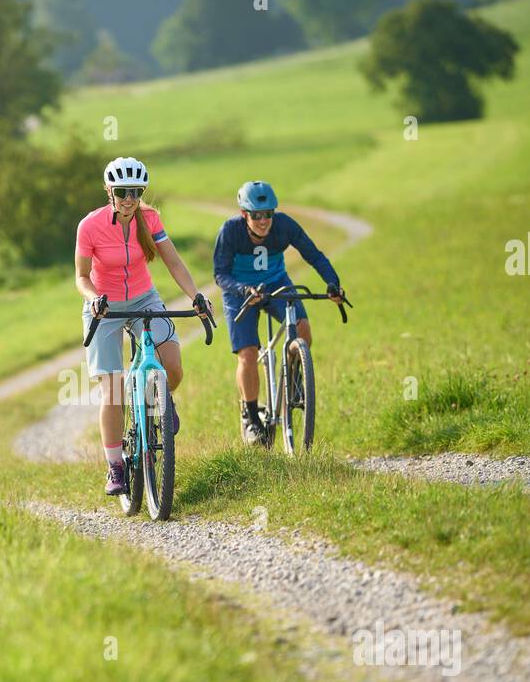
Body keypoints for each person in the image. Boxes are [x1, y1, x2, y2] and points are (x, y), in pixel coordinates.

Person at [75, 156, 213, 494]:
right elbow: (80, 276)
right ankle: (115, 468)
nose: (128, 198)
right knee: (113, 390)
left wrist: (196, 295)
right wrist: (94, 299)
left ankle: (159, 404)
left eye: (135, 191)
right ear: (109, 191)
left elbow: (174, 262)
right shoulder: (89, 226)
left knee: (173, 367)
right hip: (104, 306)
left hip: (143, 299)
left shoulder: (150, 219)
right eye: (122, 191)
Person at [213, 181, 343, 446]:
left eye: (268, 214)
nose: (263, 221)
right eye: (256, 215)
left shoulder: (285, 225)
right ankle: (250, 416)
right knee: (248, 354)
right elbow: (220, 274)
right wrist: (243, 289)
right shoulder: (230, 231)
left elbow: (315, 256)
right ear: (244, 214)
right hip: (240, 291)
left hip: (276, 282)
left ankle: (294, 381)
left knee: (303, 330)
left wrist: (333, 283)